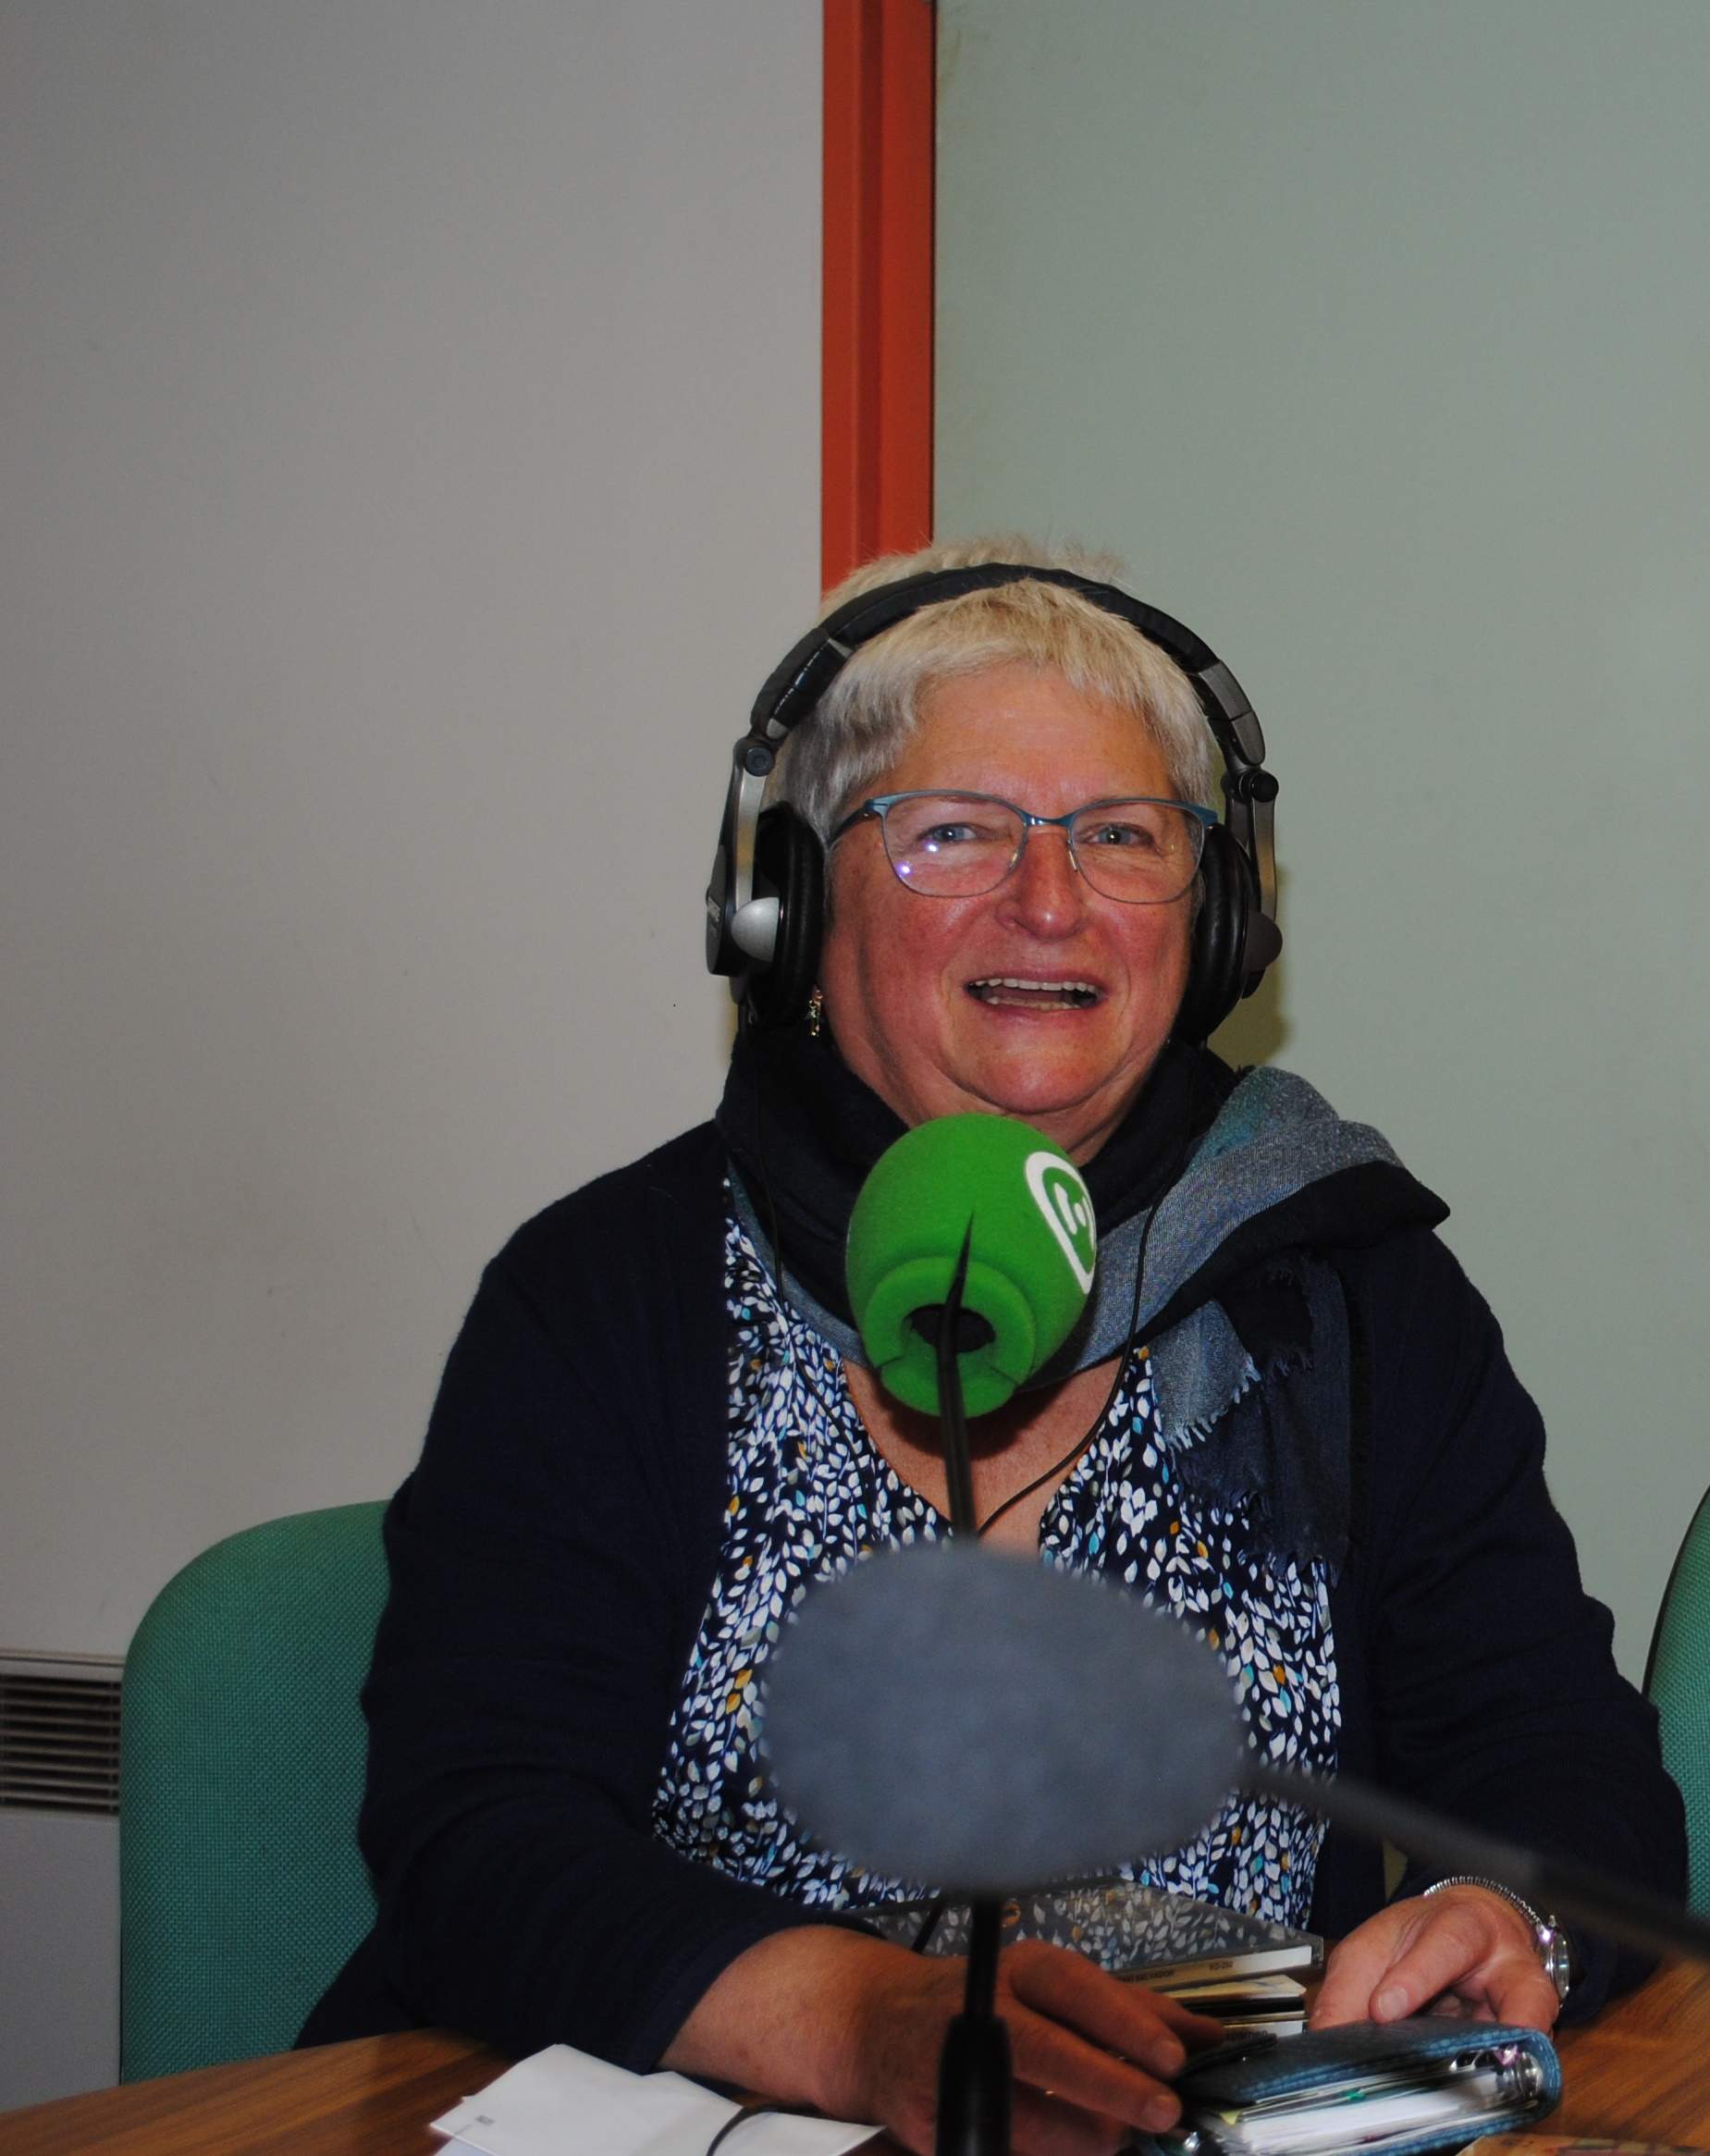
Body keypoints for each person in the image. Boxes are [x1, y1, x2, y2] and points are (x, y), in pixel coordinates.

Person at [303, 540, 1686, 2155]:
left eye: (1119, 835)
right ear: (790, 909)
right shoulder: (606, 1295)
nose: (1049, 901)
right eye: (954, 831)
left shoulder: (1351, 1291)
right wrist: (859, 2022)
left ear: (1213, 920)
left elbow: (1559, 1761)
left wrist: (1506, 1920)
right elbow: (479, 1834)